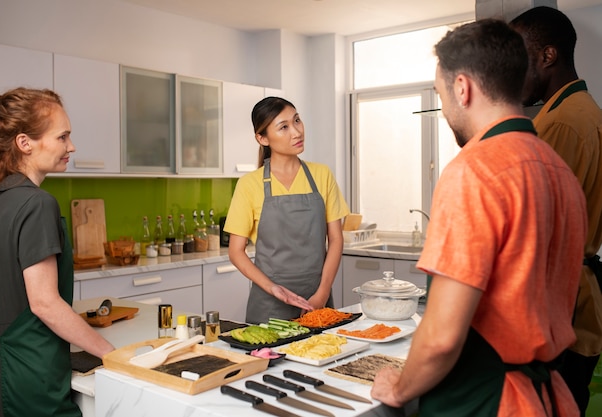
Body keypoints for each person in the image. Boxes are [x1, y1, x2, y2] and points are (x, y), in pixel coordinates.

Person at [370, 19, 587, 416]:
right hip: (545, 397)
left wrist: (399, 387)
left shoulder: (475, 170)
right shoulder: (559, 172)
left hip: (483, 400)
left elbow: (441, 338)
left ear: (462, 88)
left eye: (441, 94)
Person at [0, 87, 115, 416]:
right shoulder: (36, 203)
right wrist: (112, 353)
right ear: (24, 143)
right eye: (62, 137)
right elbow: (44, 303)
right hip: (32, 376)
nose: (72, 146)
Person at [510, 7, 602, 416]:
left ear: (547, 56)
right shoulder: (581, 110)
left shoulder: (563, 123)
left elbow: (537, 225)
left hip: (557, 301)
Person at [224, 97, 349, 324]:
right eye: (284, 127)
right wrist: (273, 289)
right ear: (262, 139)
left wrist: (321, 294)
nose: (296, 132)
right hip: (269, 304)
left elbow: (336, 239)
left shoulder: (322, 175)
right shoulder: (249, 185)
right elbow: (236, 252)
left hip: (317, 299)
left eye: (297, 121)